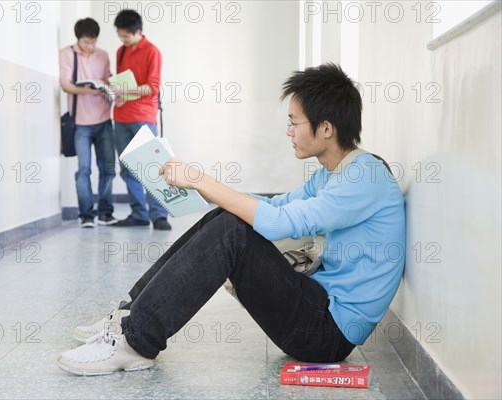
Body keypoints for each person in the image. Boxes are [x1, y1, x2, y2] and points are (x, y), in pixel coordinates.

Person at [56, 63, 406, 375]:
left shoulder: (365, 177)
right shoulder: (333, 173)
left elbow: (280, 223)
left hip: (327, 334)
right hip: (316, 309)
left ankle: (136, 343)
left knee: (234, 231)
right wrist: (201, 185)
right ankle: (129, 316)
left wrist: (198, 180)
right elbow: (274, 205)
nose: (288, 131)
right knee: (229, 215)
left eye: (293, 122)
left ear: (326, 128)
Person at [110, 9, 172, 231]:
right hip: (121, 116)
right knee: (128, 169)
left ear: (138, 31)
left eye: (126, 36)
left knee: (151, 167)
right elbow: (121, 84)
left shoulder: (152, 52)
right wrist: (118, 96)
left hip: (143, 116)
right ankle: (138, 214)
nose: (123, 40)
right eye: (120, 36)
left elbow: (153, 87)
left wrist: (127, 90)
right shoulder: (120, 51)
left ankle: (159, 215)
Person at [59, 18, 117, 228]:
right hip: (80, 123)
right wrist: (89, 90)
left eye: (93, 42)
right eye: (86, 42)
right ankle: (86, 215)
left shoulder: (103, 55)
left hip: (103, 120)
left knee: (108, 168)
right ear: (78, 39)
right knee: (84, 170)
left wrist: (109, 85)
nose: (90, 46)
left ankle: (105, 212)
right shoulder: (67, 54)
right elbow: (66, 85)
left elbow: (108, 79)